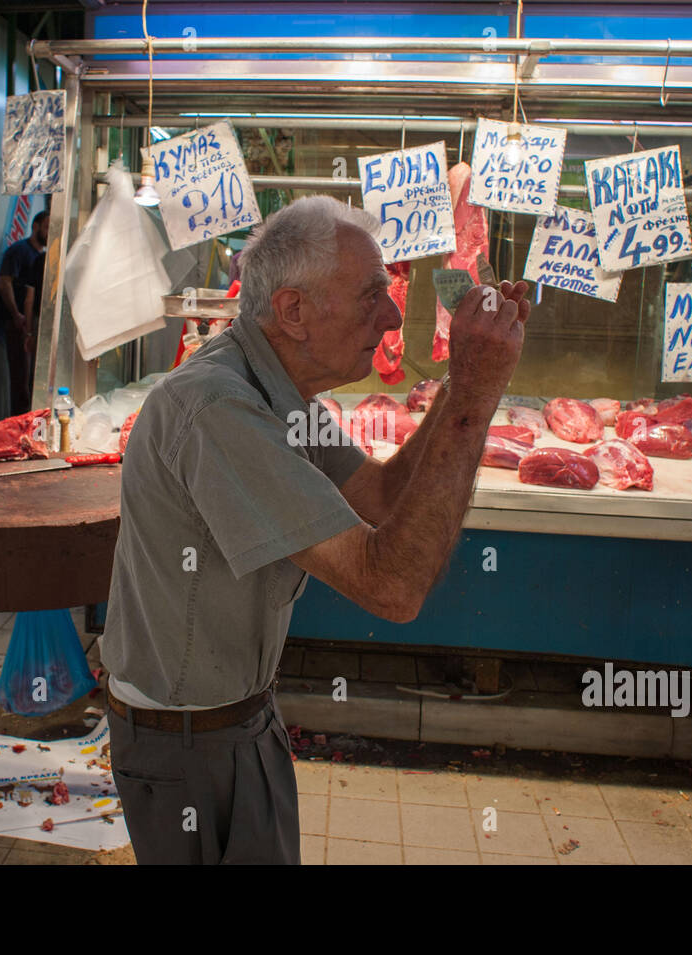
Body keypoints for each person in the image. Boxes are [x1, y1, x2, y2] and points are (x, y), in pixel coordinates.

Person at [101, 195, 529, 864]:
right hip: (184, 743)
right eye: (369, 296)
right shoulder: (219, 407)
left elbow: (383, 497)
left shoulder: (283, 393)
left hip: (244, 718)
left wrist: (462, 384)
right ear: (293, 310)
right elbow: (393, 588)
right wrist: (474, 395)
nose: (391, 318)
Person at [0, 210, 48, 414]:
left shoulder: (43, 256)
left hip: (31, 325)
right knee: (21, 381)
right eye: (46, 226)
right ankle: (17, 428)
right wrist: (18, 315)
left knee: (32, 381)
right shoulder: (19, 251)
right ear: (35, 227)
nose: (49, 231)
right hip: (19, 323)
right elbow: (4, 283)